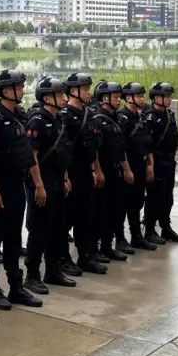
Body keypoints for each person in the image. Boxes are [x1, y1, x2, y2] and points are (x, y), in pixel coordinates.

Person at [0, 70, 43, 310]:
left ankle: (16, 286)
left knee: (14, 238)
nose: (23, 90)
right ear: (6, 90)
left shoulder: (21, 115)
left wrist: (37, 183)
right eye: (18, 87)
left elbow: (28, 153)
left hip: (17, 185)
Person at [24, 77, 75, 290]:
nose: (64, 98)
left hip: (56, 180)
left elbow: (62, 152)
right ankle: (32, 275)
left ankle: (53, 271)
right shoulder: (37, 120)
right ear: (47, 97)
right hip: (41, 182)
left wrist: (65, 177)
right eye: (60, 94)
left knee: (57, 228)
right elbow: (32, 156)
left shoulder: (59, 119)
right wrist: (39, 185)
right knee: (39, 229)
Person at [62, 73, 106, 274]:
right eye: (85, 89)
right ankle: (62, 258)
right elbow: (60, 150)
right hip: (71, 173)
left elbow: (93, 145)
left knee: (86, 217)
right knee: (67, 218)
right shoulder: (65, 116)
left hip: (86, 172)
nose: (89, 93)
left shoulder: (88, 114)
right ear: (73, 91)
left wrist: (96, 168)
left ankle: (85, 256)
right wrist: (65, 177)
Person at [91, 81, 134, 262]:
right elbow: (94, 150)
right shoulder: (97, 120)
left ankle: (108, 246)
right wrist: (97, 171)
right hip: (103, 170)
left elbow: (120, 147)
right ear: (104, 98)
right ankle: (96, 249)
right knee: (99, 212)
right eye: (115, 97)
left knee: (113, 210)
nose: (119, 100)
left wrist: (126, 169)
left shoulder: (117, 118)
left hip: (115, 169)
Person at [144, 82, 178, 244]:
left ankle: (165, 228)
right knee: (155, 197)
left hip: (169, 161)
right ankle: (149, 230)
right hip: (156, 162)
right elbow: (147, 145)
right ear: (157, 98)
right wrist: (150, 165)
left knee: (168, 197)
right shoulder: (150, 117)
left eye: (170, 96)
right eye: (167, 96)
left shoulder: (169, 114)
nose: (170, 99)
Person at [119, 83, 157, 251]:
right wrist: (126, 169)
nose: (142, 99)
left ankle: (136, 236)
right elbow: (121, 147)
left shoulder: (141, 116)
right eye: (139, 96)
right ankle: (120, 238)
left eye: (143, 96)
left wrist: (150, 164)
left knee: (137, 201)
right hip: (129, 165)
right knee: (123, 204)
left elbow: (148, 142)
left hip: (141, 164)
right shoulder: (122, 117)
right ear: (128, 98)